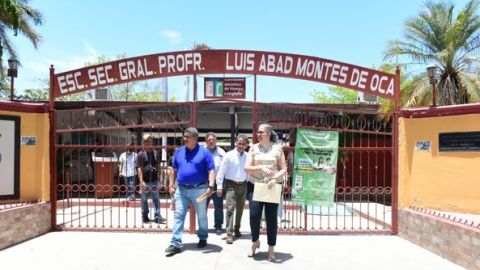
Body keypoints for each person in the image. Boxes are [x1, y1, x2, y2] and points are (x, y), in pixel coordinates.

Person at [165, 127, 215, 255]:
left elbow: (211, 170)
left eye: (188, 137)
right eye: (184, 137)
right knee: (178, 216)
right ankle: (175, 243)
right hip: (181, 190)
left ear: (195, 138)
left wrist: (211, 187)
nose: (185, 139)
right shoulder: (179, 152)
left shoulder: (205, 153)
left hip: (200, 189)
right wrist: (171, 185)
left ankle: (203, 237)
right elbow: (173, 170)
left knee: (202, 215)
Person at [245, 123, 287, 262]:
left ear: (269, 134)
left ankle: (271, 248)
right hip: (255, 185)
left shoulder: (278, 148)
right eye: (258, 132)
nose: (258, 134)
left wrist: (274, 178)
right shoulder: (253, 148)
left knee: (271, 218)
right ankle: (255, 241)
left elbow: (283, 168)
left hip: (272, 187)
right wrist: (261, 168)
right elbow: (247, 168)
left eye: (261, 132)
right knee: (254, 215)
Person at [216, 135, 249, 244]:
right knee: (230, 208)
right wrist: (219, 187)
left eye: (243, 144)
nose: (240, 145)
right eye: (239, 143)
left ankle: (237, 228)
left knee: (240, 208)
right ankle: (229, 234)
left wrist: (248, 182)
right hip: (230, 185)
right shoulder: (228, 155)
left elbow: (249, 171)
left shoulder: (248, 156)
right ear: (235, 143)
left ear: (246, 145)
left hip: (243, 185)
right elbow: (221, 171)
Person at [136, 134, 166, 224]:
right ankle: (145, 216)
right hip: (145, 181)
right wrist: (141, 182)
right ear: (143, 143)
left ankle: (157, 216)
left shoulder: (156, 153)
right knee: (144, 199)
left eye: (149, 141)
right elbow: (139, 169)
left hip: (154, 180)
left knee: (156, 199)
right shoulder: (140, 154)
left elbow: (158, 167)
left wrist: (160, 180)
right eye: (146, 142)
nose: (148, 143)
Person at [204, 132, 226, 235]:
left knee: (218, 206)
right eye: (209, 140)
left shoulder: (222, 152)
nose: (211, 141)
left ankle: (218, 226)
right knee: (203, 206)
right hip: (204, 183)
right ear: (206, 141)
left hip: (217, 183)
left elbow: (225, 167)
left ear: (216, 140)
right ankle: (203, 226)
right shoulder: (202, 151)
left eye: (213, 139)